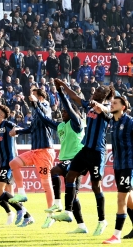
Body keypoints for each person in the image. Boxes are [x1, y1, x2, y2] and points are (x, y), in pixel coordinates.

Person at [52, 81, 115, 237]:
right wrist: (63, 87)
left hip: (97, 152)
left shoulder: (107, 109)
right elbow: (74, 97)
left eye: (99, 90)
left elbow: (105, 109)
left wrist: (100, 106)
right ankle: (68, 212)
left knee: (96, 186)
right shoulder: (89, 106)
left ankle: (102, 220)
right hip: (85, 149)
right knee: (70, 176)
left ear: (104, 94)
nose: (94, 91)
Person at [27, 80, 86, 230]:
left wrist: (60, 92)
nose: (62, 113)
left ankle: (58, 202)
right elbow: (45, 120)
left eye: (65, 112)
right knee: (74, 197)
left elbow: (68, 107)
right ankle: (81, 226)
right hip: (67, 159)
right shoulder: (61, 125)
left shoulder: (76, 123)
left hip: (77, 159)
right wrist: (34, 106)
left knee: (54, 171)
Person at [7, 88, 56, 223]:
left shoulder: (45, 105)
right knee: (14, 163)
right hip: (35, 151)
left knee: (46, 183)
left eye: (33, 95)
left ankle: (51, 215)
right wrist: (18, 131)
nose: (30, 97)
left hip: (45, 151)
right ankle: (21, 193)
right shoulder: (36, 112)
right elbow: (32, 129)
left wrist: (36, 103)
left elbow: (45, 117)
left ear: (40, 96)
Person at [0, 104, 33, 226]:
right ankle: (28, 216)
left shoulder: (7, 124)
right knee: (8, 192)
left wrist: (16, 131)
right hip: (3, 164)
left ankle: (20, 210)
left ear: (2, 114)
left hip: (9, 163)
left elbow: (19, 129)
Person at [103, 96, 133, 243]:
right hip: (118, 165)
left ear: (123, 107)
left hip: (128, 164)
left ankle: (116, 236)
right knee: (129, 201)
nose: (111, 104)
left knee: (121, 199)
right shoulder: (112, 122)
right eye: (111, 102)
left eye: (115, 103)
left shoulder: (130, 122)